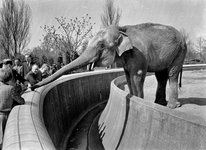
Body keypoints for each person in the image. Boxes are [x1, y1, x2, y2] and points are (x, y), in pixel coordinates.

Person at [0, 68, 25, 148]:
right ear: (9, 79)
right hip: (5, 117)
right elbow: (21, 101)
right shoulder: (10, 88)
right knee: (4, 140)